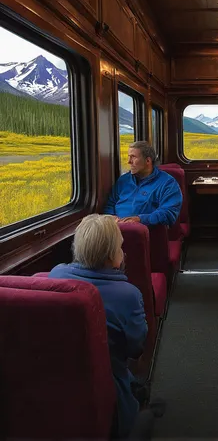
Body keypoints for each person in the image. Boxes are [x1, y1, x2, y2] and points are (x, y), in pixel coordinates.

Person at [48, 214, 149, 439]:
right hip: (108, 388)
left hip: (54, 382)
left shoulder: (55, 275)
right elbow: (136, 347)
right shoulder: (129, 295)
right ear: (113, 255)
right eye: (120, 247)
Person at [104, 141, 182, 227]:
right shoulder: (123, 180)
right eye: (129, 157)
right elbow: (111, 204)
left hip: (147, 231)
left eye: (133, 157)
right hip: (116, 229)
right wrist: (111, 217)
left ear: (148, 161)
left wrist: (140, 220)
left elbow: (169, 213)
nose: (129, 162)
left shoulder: (167, 183)